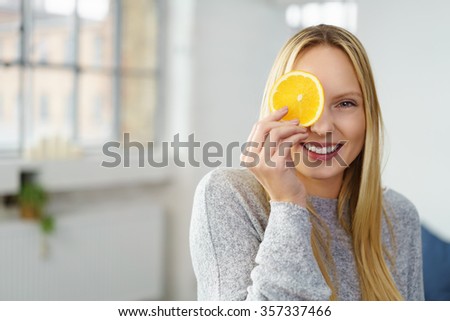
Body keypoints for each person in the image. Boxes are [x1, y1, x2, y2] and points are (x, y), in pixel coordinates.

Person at [189, 24, 424, 301]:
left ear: (368, 115)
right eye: (305, 105)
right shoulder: (229, 195)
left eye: (345, 103)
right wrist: (287, 203)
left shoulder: (398, 216)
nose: (323, 127)